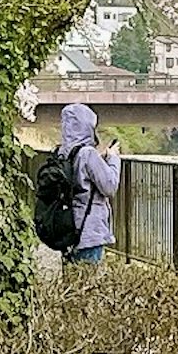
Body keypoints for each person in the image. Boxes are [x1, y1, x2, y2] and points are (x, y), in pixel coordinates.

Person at [54, 99, 122, 266]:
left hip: (68, 229)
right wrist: (113, 159)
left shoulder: (60, 153)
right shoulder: (87, 154)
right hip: (89, 232)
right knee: (87, 285)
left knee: (71, 285)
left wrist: (101, 161)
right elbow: (110, 186)